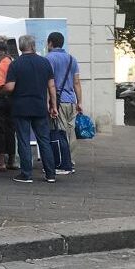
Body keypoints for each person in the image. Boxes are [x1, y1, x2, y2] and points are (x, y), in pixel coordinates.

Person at [3, 35, 58, 183]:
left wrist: (3, 88)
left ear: (20, 47)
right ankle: (50, 174)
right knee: (44, 140)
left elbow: (10, 87)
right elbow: (51, 86)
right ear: (33, 46)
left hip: (21, 108)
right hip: (40, 107)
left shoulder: (15, 64)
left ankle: (26, 174)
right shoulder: (45, 62)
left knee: (23, 140)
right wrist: (53, 105)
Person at [45, 31, 82, 173]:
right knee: (71, 132)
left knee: (59, 132)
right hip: (71, 101)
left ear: (50, 43)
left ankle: (62, 162)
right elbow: (77, 82)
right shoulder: (72, 59)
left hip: (57, 101)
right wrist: (79, 102)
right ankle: (71, 161)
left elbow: (50, 83)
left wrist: (51, 103)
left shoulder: (49, 58)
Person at [0, 38, 17, 171]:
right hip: (13, 100)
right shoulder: (12, 61)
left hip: (1, 99)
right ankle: (12, 160)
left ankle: (0, 161)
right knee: (11, 130)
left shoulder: (0, 64)